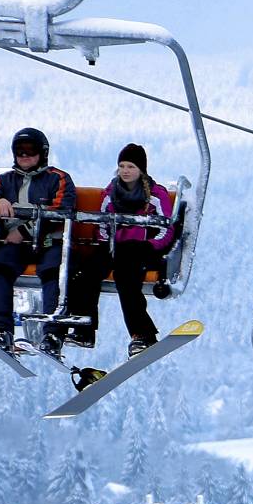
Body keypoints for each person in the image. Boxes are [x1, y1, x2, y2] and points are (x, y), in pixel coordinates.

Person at [66, 142, 174, 364]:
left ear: (141, 169)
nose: (125, 171)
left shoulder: (155, 195)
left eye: (131, 167)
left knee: (126, 278)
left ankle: (142, 334)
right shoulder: (111, 192)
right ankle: (83, 327)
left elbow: (167, 228)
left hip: (142, 248)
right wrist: (107, 243)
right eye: (122, 166)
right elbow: (103, 223)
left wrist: (151, 245)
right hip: (115, 246)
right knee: (87, 273)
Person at [0, 127, 77, 357]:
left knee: (54, 271)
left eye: (30, 151)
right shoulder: (6, 180)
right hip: (18, 245)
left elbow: (61, 210)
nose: (24, 156)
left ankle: (53, 333)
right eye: (19, 151)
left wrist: (24, 231)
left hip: (49, 241)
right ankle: (1, 331)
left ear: (42, 153)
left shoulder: (58, 178)